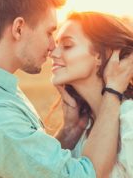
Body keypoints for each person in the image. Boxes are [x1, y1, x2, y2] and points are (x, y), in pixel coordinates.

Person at [0, 0, 133, 177]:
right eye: (49, 33)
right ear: (19, 28)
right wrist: (113, 91)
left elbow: (31, 165)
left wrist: (69, 131)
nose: (51, 48)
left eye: (67, 45)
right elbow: (81, 174)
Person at [50, 11, 133, 177]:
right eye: (56, 44)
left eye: (67, 45)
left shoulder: (129, 119)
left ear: (100, 57)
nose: (53, 53)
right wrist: (67, 131)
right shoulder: (83, 128)